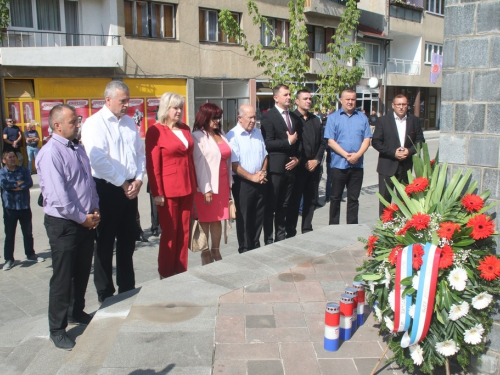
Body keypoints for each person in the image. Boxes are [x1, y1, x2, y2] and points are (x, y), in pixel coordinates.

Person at [36, 104, 99, 350]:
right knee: (63, 277)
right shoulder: (51, 153)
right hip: (64, 223)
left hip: (85, 219)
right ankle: (57, 328)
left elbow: (88, 182)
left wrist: (95, 209)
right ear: (57, 125)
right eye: (73, 121)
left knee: (82, 270)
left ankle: (77, 311)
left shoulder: (78, 147)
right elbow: (59, 198)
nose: (77, 124)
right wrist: (82, 217)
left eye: (77, 120)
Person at [81, 81, 146, 304]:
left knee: (128, 242)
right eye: (123, 101)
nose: (127, 105)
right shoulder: (94, 124)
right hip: (107, 189)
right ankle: (105, 293)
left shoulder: (129, 123)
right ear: (108, 100)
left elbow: (139, 154)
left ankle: (127, 287)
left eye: (128, 100)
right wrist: (122, 184)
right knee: (105, 244)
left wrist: (138, 179)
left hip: (129, 188)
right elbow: (97, 160)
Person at [145, 92, 197, 279]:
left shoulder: (185, 129)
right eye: (175, 107)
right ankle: (166, 273)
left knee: (184, 231)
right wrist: (157, 193)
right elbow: (152, 165)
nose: (179, 111)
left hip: (187, 187)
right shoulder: (156, 131)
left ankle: (181, 269)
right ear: (165, 109)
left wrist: (195, 183)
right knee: (169, 232)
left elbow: (190, 159)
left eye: (180, 107)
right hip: (167, 191)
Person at [192, 103, 233, 265]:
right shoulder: (197, 136)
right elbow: (199, 164)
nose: (217, 120)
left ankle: (216, 250)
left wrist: (230, 183)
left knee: (218, 219)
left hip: (222, 184)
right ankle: (205, 252)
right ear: (205, 117)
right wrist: (205, 189)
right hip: (207, 185)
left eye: (218, 117)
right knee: (205, 220)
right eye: (214, 117)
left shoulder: (221, 133)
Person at [260, 84, 301, 244]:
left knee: (284, 205)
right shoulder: (268, 117)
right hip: (275, 169)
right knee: (271, 205)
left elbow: (299, 143)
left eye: (290, 94)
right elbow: (268, 143)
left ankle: (281, 236)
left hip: (291, 168)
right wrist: (287, 142)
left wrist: (298, 158)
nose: (289, 97)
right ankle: (269, 239)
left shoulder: (294, 118)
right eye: (285, 94)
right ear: (276, 98)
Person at [325, 89, 372, 225]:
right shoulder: (333, 117)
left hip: (357, 165)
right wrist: (346, 155)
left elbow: (367, 138)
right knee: (335, 198)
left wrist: (357, 155)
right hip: (339, 165)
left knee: (353, 198)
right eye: (347, 99)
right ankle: (333, 226)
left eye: (353, 99)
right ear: (341, 100)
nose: (350, 102)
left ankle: (352, 226)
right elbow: (330, 141)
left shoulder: (362, 117)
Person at [372, 94, 425, 215]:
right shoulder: (383, 121)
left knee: (404, 199)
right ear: (393, 106)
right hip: (387, 166)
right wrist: (392, 153)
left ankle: (402, 227)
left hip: (405, 167)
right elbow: (376, 142)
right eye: (398, 104)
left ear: (407, 106)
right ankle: (384, 227)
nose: (401, 107)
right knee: (385, 200)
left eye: (404, 104)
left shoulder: (414, 121)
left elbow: (420, 141)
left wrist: (409, 151)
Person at [226, 105, 268, 253]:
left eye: (254, 117)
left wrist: (263, 172)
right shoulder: (232, 135)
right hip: (243, 183)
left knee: (258, 215)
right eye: (250, 117)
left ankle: (255, 245)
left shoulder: (258, 132)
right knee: (244, 218)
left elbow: (265, 155)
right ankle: (244, 248)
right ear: (240, 118)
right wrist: (252, 177)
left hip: (260, 180)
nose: (253, 120)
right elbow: (233, 164)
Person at [286, 89, 326, 236]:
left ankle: (307, 229)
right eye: (305, 99)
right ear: (297, 101)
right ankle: (290, 232)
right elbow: (293, 146)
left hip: (314, 168)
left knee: (311, 201)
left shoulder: (316, 120)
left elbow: (322, 143)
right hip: (298, 168)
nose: (308, 101)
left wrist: (316, 160)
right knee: (294, 202)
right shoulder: (291, 119)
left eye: (310, 98)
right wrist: (303, 161)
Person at [0, 151, 44, 271]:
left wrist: (17, 186)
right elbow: (5, 185)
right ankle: (9, 259)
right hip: (10, 209)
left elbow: (29, 182)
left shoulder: (23, 170)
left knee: (28, 233)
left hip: (24, 206)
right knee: (9, 235)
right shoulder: (2, 173)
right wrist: (17, 184)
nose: (13, 159)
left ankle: (30, 254)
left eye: (14, 157)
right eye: (10, 157)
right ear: (4, 160)